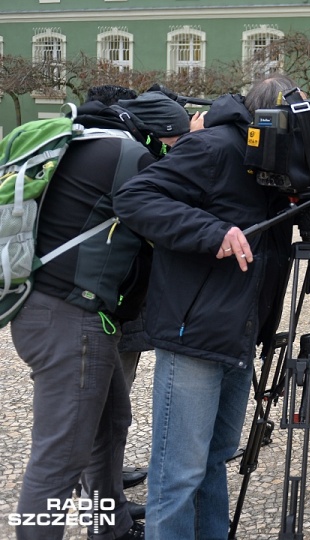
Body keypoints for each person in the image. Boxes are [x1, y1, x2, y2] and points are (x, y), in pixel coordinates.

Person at [114, 76, 296, 539]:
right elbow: (134, 198)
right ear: (262, 121)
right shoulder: (214, 148)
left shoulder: (272, 162)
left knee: (215, 459)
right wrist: (210, 230)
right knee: (179, 471)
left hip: (240, 331)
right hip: (193, 333)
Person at [10, 92, 191, 540]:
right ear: (148, 131)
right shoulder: (128, 154)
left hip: (56, 313)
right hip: (70, 319)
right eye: (169, 140)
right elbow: (173, 217)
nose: (169, 151)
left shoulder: (88, 143)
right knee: (59, 458)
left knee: (109, 425)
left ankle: (109, 527)